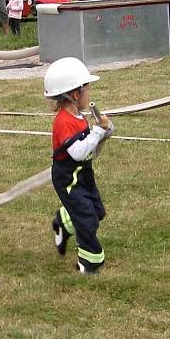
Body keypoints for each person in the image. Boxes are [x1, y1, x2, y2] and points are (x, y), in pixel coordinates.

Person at [45, 56, 113, 275]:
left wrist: (105, 130)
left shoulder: (79, 117)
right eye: (87, 89)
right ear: (75, 94)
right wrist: (97, 132)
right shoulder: (64, 122)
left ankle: (63, 222)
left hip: (83, 175)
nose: (89, 93)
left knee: (96, 211)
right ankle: (89, 263)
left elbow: (91, 146)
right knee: (87, 219)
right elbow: (77, 152)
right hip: (68, 179)